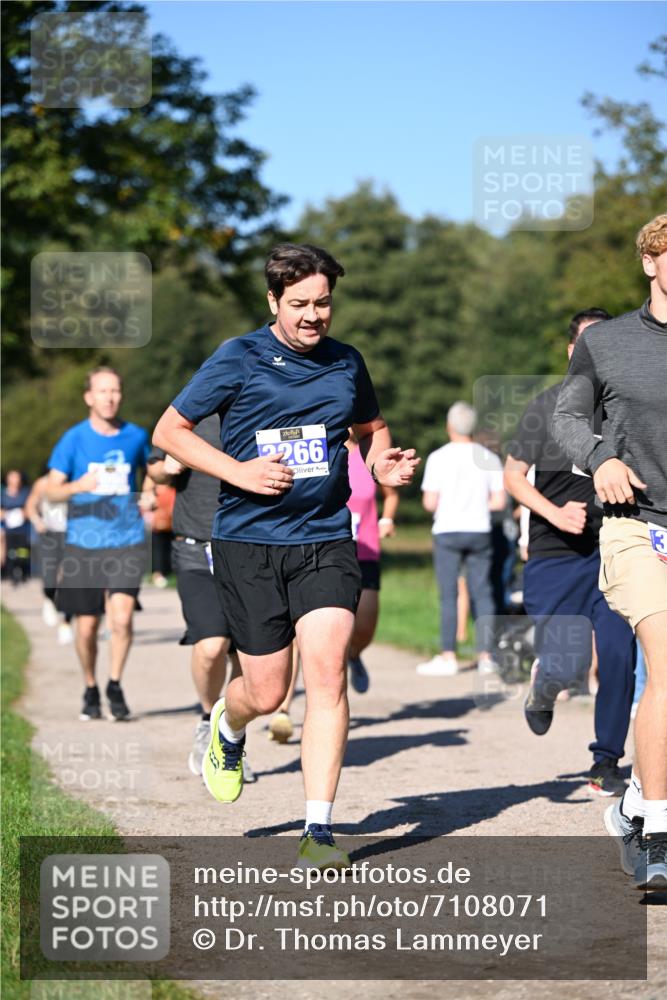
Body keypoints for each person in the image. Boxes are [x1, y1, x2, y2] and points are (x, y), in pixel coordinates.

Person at [153, 242, 418, 870]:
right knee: (268, 691)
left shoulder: (346, 362)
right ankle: (228, 723)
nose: (312, 315)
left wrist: (382, 463)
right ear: (273, 300)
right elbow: (170, 431)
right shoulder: (238, 357)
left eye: (322, 303)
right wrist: (238, 472)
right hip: (249, 543)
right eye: (299, 303)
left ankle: (318, 830)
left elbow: (371, 429)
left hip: (325, 539)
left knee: (326, 675)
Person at [553, 214, 667, 891]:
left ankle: (630, 806)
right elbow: (567, 418)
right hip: (635, 524)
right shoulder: (607, 342)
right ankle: (658, 833)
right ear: (651, 261)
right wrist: (601, 458)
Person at [505, 308, 636, 797]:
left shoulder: (630, 406)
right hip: (556, 552)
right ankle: (546, 682)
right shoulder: (546, 407)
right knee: (568, 662)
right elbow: (513, 476)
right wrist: (556, 514)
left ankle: (606, 761)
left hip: (616, 549)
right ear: (570, 352)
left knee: (619, 656)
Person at [146, 415, 254, 783]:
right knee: (211, 646)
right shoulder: (191, 414)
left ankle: (230, 732)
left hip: (250, 550)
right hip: (195, 550)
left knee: (246, 654)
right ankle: (208, 720)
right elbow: (154, 470)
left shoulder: (261, 408)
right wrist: (166, 467)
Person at [45, 367, 149, 722]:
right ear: (89, 397)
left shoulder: (136, 436)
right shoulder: (73, 439)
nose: (110, 397)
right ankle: (90, 686)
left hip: (127, 540)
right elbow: (51, 491)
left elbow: (151, 472)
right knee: (87, 626)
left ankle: (114, 684)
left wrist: (149, 493)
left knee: (121, 618)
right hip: (84, 542)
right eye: (103, 391)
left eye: (115, 390)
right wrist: (79, 486)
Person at [416, 401, 505, 676]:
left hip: (447, 530)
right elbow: (499, 502)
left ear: (449, 426)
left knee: (449, 594)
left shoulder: (438, 458)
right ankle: (487, 656)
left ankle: (448, 656)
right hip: (479, 529)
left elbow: (429, 503)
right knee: (483, 591)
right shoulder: (489, 458)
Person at [345, 436, 399, 693]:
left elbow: (390, 494)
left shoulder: (368, 455)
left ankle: (354, 654)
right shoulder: (322, 451)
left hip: (365, 549)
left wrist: (387, 519)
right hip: (329, 550)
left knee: (365, 625)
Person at [25, 472, 74, 644]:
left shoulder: (76, 480)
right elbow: (30, 505)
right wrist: (36, 521)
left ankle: (66, 624)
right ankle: (49, 598)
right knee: (49, 578)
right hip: (49, 534)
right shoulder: (42, 483)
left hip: (72, 535)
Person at [1, 469, 31, 583]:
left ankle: (23, 571)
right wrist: (6, 514)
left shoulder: (25, 493)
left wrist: (23, 513)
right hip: (8, 529)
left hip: (23, 529)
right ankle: (11, 573)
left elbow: (30, 508)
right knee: (10, 552)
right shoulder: (3, 495)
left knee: (23, 552)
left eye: (16, 477)